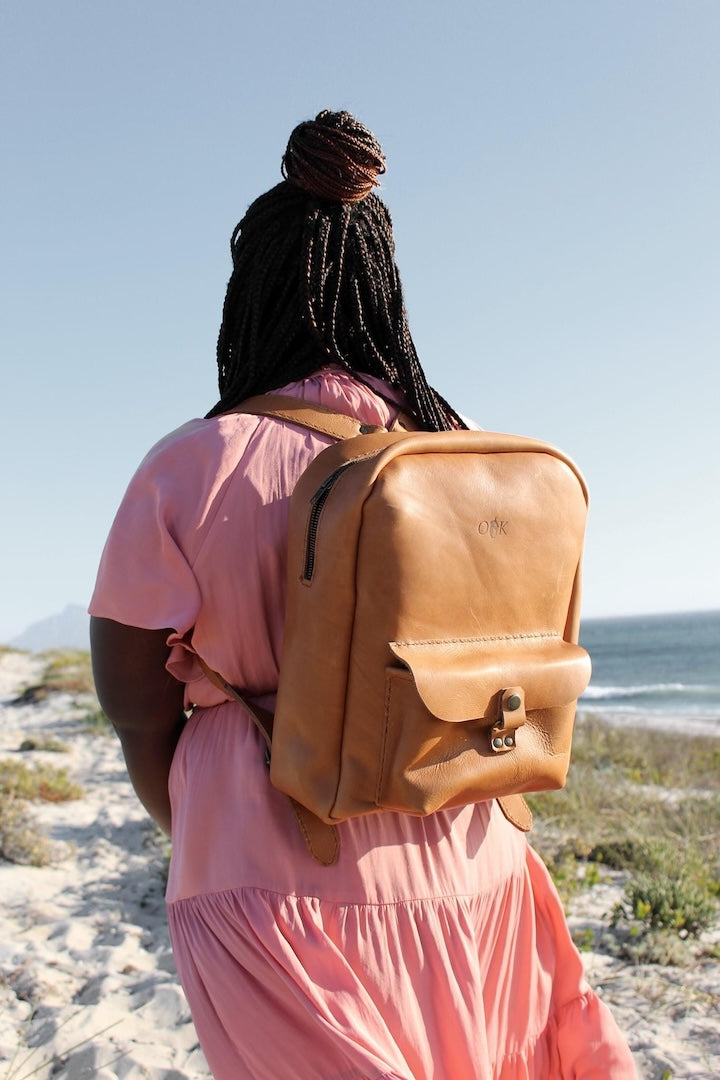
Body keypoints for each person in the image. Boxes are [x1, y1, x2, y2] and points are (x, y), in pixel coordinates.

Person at [89, 110, 636, 1080]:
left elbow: (138, 717)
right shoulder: (469, 457)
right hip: (483, 879)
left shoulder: (191, 470)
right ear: (386, 292)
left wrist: (216, 830)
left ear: (250, 296)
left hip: (275, 893)